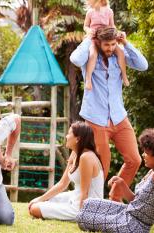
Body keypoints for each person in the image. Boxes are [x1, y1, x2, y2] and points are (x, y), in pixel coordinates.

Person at [70, 26, 148, 201]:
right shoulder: (90, 57)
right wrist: (88, 38)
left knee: (134, 159)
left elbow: (143, 65)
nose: (110, 48)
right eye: (107, 45)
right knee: (101, 167)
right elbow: (75, 59)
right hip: (96, 119)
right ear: (98, 42)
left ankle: (115, 198)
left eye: (113, 44)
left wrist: (126, 43)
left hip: (119, 117)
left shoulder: (118, 57)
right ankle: (92, 204)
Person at [77, 129, 154, 233]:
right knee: (88, 203)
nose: (143, 155)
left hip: (133, 225)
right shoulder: (150, 172)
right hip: (127, 212)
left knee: (84, 217)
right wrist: (121, 183)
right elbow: (136, 201)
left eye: (146, 153)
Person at [28, 121, 104, 221]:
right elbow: (62, 184)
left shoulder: (86, 157)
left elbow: (85, 193)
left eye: (69, 133)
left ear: (78, 139)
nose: (66, 136)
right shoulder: (75, 153)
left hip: (87, 207)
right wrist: (40, 198)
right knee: (44, 200)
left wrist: (83, 218)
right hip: (74, 197)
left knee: (35, 209)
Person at [83, 0, 128, 90]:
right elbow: (85, 26)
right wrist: (89, 31)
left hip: (107, 39)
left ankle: (124, 75)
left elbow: (112, 26)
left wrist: (117, 33)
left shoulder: (109, 11)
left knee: (121, 52)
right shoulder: (90, 12)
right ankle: (88, 79)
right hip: (95, 39)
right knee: (93, 55)